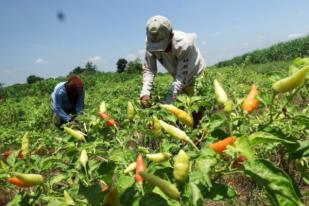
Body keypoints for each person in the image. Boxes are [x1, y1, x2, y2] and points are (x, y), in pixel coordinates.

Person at [140, 15, 207, 108]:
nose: (161, 50)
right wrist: (145, 92)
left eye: (162, 45)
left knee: (197, 107)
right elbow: (149, 69)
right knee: (182, 108)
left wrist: (166, 103)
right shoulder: (150, 43)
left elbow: (181, 78)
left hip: (195, 75)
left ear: (171, 36)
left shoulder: (184, 44)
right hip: (178, 77)